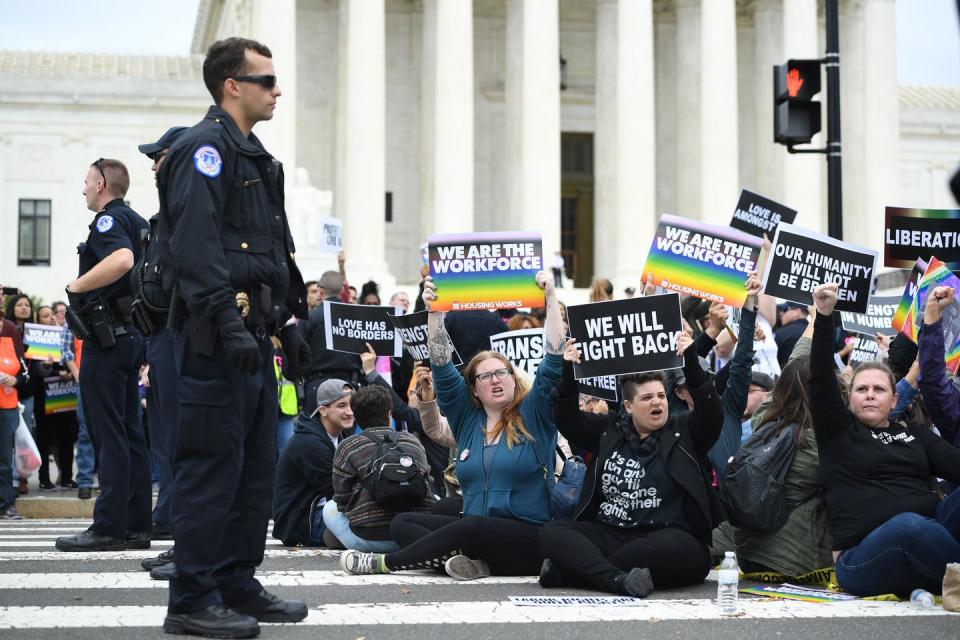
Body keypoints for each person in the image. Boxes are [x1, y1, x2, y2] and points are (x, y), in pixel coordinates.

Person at [155, 37, 310, 636]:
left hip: (254, 338)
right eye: (267, 80)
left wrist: (289, 323)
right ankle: (191, 600)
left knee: (254, 470)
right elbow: (193, 250)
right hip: (213, 338)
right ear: (232, 86)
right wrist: (224, 319)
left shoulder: (252, 155)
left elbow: (273, 252)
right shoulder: (204, 151)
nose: (277, 90)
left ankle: (235, 581)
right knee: (210, 471)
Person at [340, 270, 565, 580]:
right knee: (403, 523)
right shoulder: (467, 418)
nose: (496, 380)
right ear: (473, 388)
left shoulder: (534, 414)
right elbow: (442, 367)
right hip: (477, 532)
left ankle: (385, 563)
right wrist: (435, 314)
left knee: (469, 527)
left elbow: (553, 359)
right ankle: (470, 562)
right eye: (485, 376)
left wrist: (550, 298)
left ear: (514, 379)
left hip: (527, 537)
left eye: (502, 373)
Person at [537, 326, 724, 598]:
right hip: (610, 531)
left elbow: (711, 412)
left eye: (661, 396)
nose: (657, 402)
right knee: (551, 533)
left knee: (680, 553)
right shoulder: (608, 430)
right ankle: (616, 579)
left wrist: (692, 360)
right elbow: (568, 420)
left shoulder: (684, 431)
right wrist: (569, 371)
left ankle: (573, 571)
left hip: (667, 535)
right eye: (647, 398)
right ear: (628, 406)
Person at [811, 282, 960, 597]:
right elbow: (822, 378)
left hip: (930, 540)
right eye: (861, 389)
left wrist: (932, 317)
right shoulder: (838, 431)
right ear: (849, 398)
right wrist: (824, 316)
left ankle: (947, 575)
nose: (869, 395)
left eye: (878, 390)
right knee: (908, 525)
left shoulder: (913, 433)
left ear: (895, 401)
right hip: (863, 558)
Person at [54, 158, 151, 554]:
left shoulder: (110, 222)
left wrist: (75, 287)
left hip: (107, 340)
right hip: (130, 337)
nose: (83, 189)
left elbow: (122, 260)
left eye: (86, 181)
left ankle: (108, 527)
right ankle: (135, 525)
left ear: (101, 184)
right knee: (130, 434)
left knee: (107, 433)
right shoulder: (139, 221)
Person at [135, 125, 186, 551]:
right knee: (165, 434)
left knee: (181, 435)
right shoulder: (163, 216)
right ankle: (168, 513)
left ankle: (176, 518)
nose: (153, 165)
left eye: (160, 156)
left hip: (180, 335)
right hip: (160, 339)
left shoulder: (188, 212)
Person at [323, 385, 435, 552]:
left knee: (329, 507)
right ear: (390, 414)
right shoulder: (412, 441)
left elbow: (342, 498)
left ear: (357, 418)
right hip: (414, 537)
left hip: (370, 540)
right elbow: (428, 482)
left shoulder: (348, 446)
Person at [272, 379, 355, 547]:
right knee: (375, 525)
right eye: (342, 406)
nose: (350, 411)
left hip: (322, 510)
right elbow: (338, 491)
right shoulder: (310, 444)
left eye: (352, 405)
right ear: (323, 410)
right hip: (302, 520)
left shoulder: (339, 437)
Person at [59, 316, 94, 499]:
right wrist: (78, 374)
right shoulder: (74, 314)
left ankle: (111, 479)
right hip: (86, 379)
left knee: (114, 430)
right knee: (86, 431)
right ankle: (85, 481)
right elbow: (66, 349)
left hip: (111, 377)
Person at [0, 315, 27, 519]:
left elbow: (25, 373)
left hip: (7, 407)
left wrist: (14, 379)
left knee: (4, 459)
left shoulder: (10, 331)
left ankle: (7, 504)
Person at [774, 301, 808, 367]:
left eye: (785, 309)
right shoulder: (817, 332)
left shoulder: (782, 333)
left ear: (797, 312)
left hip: (786, 375)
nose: (781, 313)